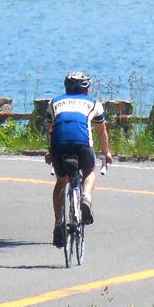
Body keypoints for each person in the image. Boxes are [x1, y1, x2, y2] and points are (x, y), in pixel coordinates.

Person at [45, 71, 112, 248]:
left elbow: (50, 130)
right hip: (82, 144)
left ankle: (58, 223)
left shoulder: (55, 102)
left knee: (60, 181)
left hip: (58, 145)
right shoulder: (93, 103)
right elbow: (101, 132)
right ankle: (86, 198)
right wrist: (106, 153)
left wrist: (49, 152)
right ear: (86, 88)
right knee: (89, 171)